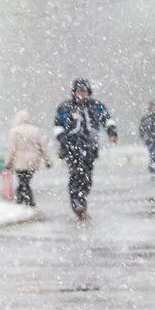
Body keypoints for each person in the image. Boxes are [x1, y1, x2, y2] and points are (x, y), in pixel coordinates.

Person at [54, 78, 118, 218]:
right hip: (71, 147)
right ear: (74, 92)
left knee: (87, 177)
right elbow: (58, 125)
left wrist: (112, 132)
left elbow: (107, 119)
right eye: (79, 91)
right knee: (75, 174)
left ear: (88, 92)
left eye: (84, 91)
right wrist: (63, 139)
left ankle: (82, 200)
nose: (81, 94)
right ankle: (77, 202)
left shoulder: (96, 106)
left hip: (90, 147)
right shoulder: (65, 107)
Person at [4, 109, 51, 207]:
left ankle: (25, 202)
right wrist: (47, 160)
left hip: (19, 161)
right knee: (25, 181)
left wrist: (8, 163)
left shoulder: (15, 131)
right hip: (33, 160)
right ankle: (23, 201)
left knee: (22, 181)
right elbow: (43, 146)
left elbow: (11, 149)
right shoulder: (35, 130)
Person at [139, 101, 155, 175]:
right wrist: (143, 135)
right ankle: (152, 165)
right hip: (149, 138)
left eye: (154, 107)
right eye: (152, 107)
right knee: (152, 152)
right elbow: (142, 127)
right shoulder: (146, 117)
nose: (153, 109)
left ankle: (153, 164)